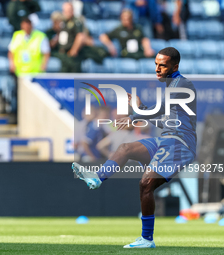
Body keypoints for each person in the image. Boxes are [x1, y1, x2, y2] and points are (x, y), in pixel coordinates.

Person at [73, 47, 197, 248]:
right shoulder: (172, 86)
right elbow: (164, 121)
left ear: (175, 66)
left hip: (180, 144)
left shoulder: (182, 84)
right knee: (125, 148)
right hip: (167, 139)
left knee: (145, 184)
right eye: (156, 64)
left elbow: (162, 111)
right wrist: (142, 109)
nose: (157, 69)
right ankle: (97, 178)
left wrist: (135, 114)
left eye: (162, 65)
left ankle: (147, 239)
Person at [57, 2, 86, 72]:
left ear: (72, 10)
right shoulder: (64, 22)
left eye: (69, 10)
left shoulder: (76, 21)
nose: (67, 12)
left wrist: (74, 50)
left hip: (72, 55)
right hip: (64, 54)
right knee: (64, 76)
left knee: (74, 76)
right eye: (65, 10)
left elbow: (80, 36)